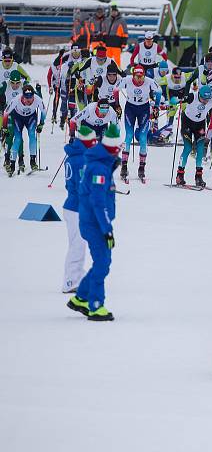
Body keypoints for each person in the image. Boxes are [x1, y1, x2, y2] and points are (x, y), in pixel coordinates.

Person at [67, 123, 122, 321]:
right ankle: (96, 305)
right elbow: (99, 203)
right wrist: (107, 230)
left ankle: (81, 297)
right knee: (102, 264)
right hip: (95, 224)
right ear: (113, 148)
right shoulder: (99, 169)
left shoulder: (102, 164)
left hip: (95, 222)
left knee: (103, 262)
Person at [62, 126, 97, 293]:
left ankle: (77, 276)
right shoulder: (82, 159)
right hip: (77, 208)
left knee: (78, 244)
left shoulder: (73, 156)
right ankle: (70, 281)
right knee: (77, 245)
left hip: (72, 205)